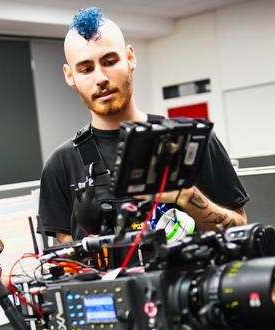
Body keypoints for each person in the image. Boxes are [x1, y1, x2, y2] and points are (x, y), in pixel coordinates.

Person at [38, 7, 249, 243]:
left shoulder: (190, 140)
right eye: (86, 69)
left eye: (109, 61)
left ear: (130, 58)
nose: (101, 78)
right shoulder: (61, 165)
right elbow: (65, 258)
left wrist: (187, 197)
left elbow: (240, 227)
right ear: (69, 76)